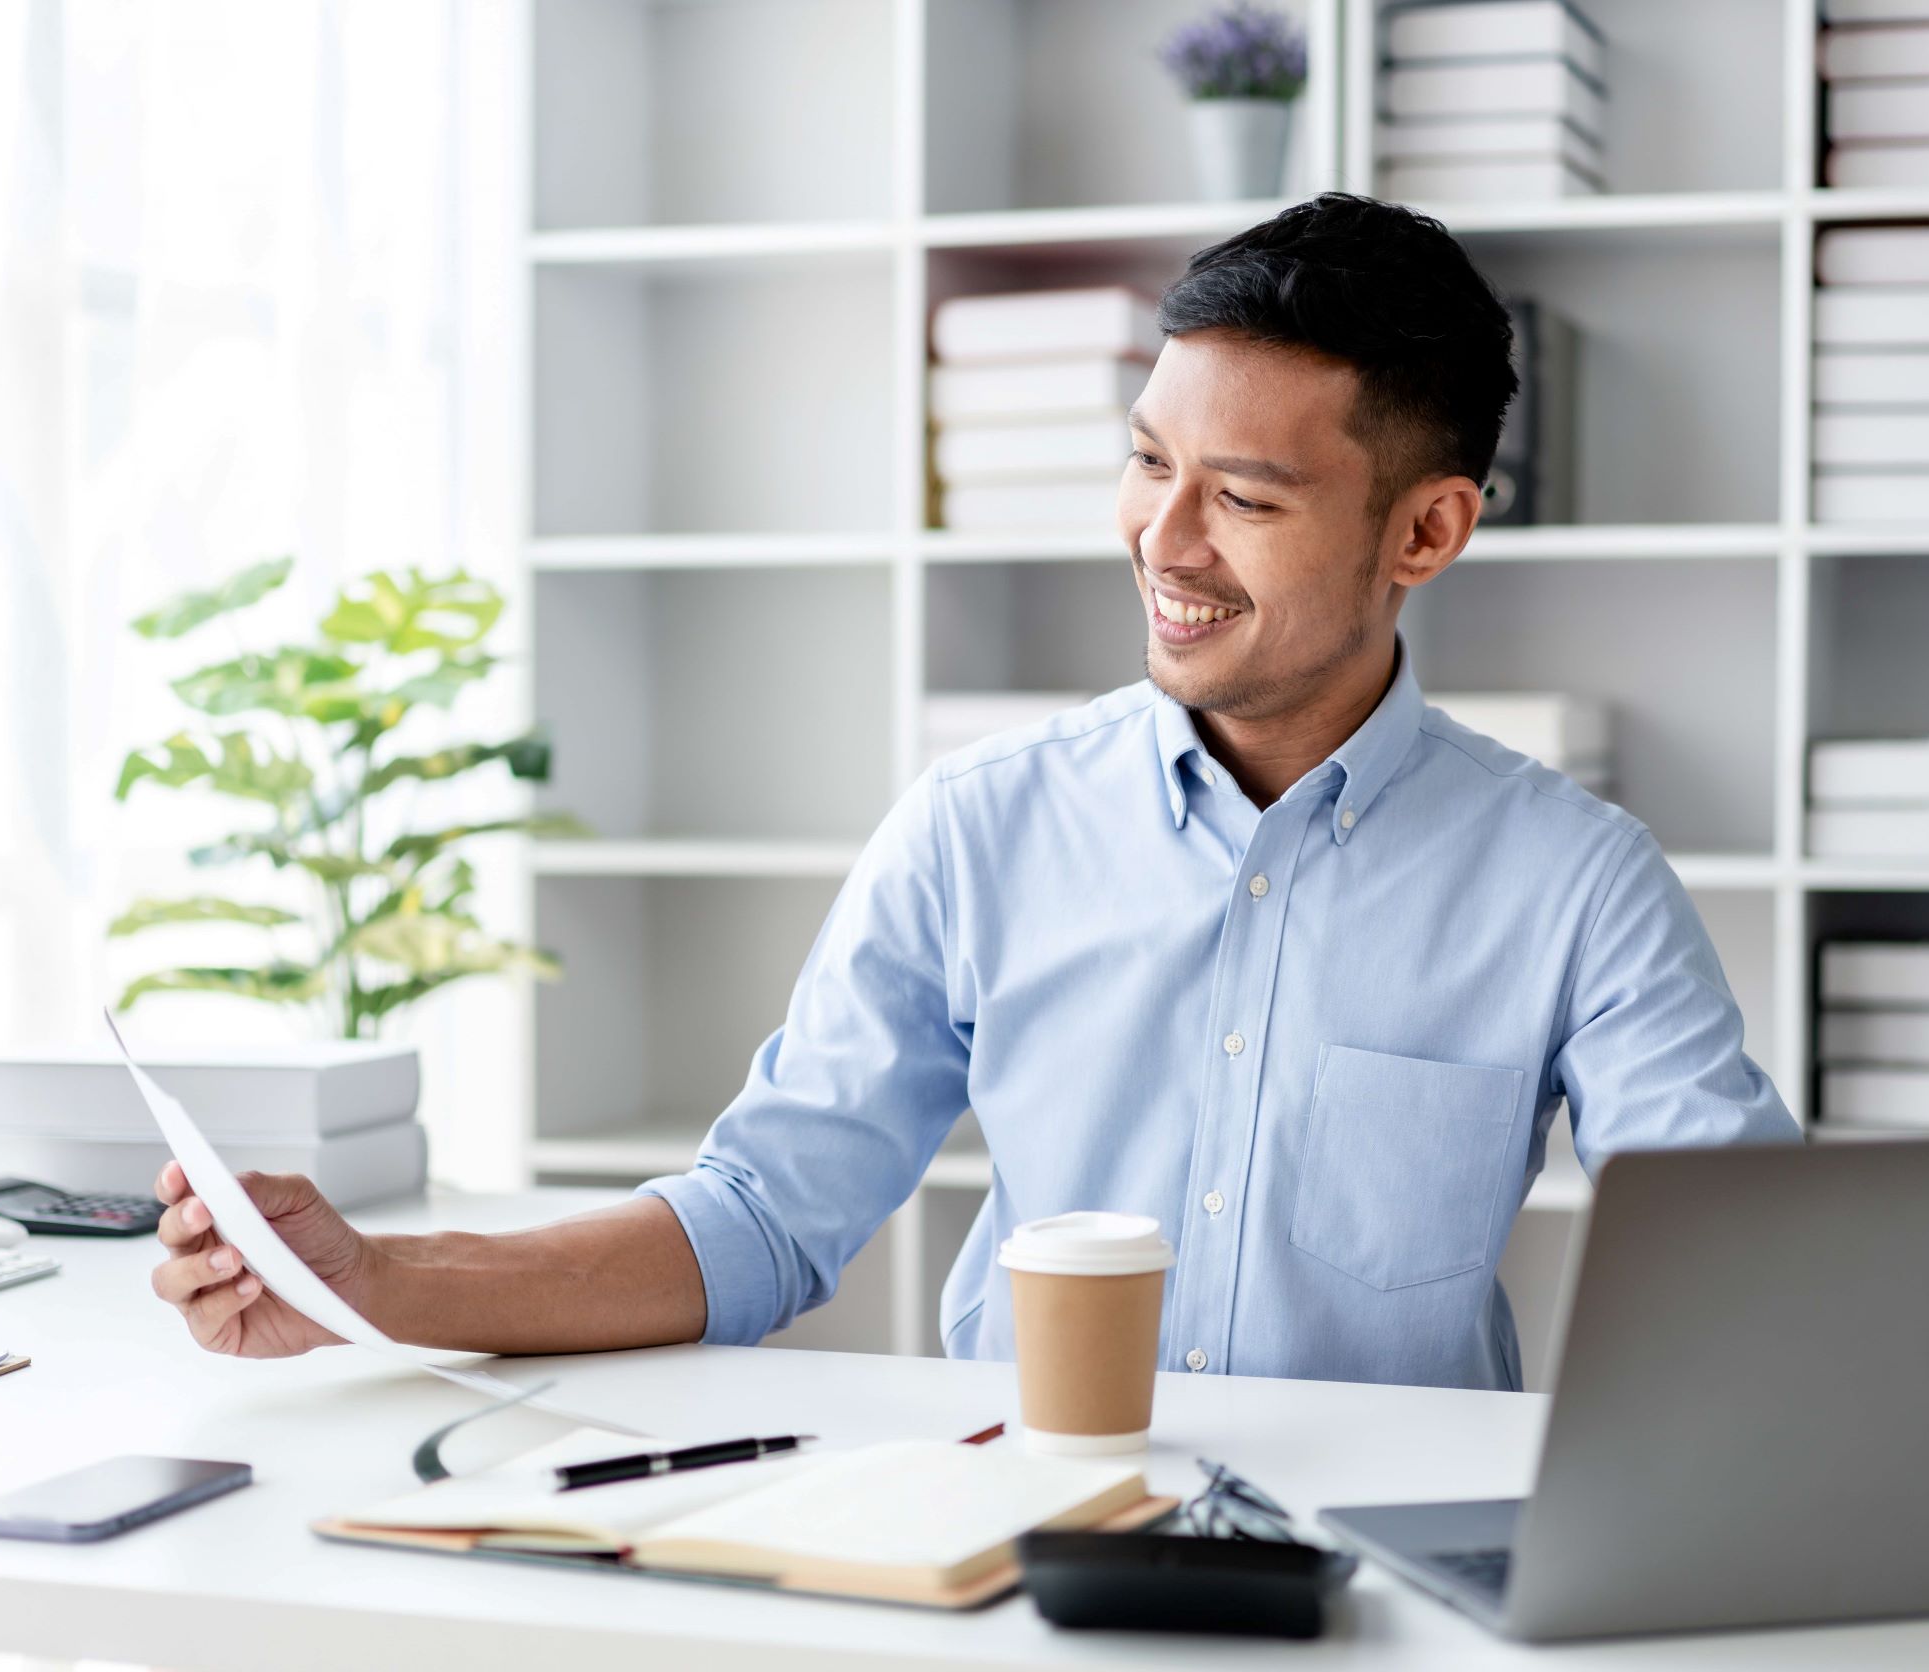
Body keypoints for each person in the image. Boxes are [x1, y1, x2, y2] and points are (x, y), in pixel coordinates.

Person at [151, 192, 1796, 1390]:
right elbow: (761, 1219)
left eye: (1244, 496)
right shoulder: (979, 829)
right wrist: (377, 1281)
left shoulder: (1573, 882)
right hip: (1017, 1558)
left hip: (1385, 1597)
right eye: (1150, 461)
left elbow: (1757, 1276)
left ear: (1426, 533)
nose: (1162, 540)